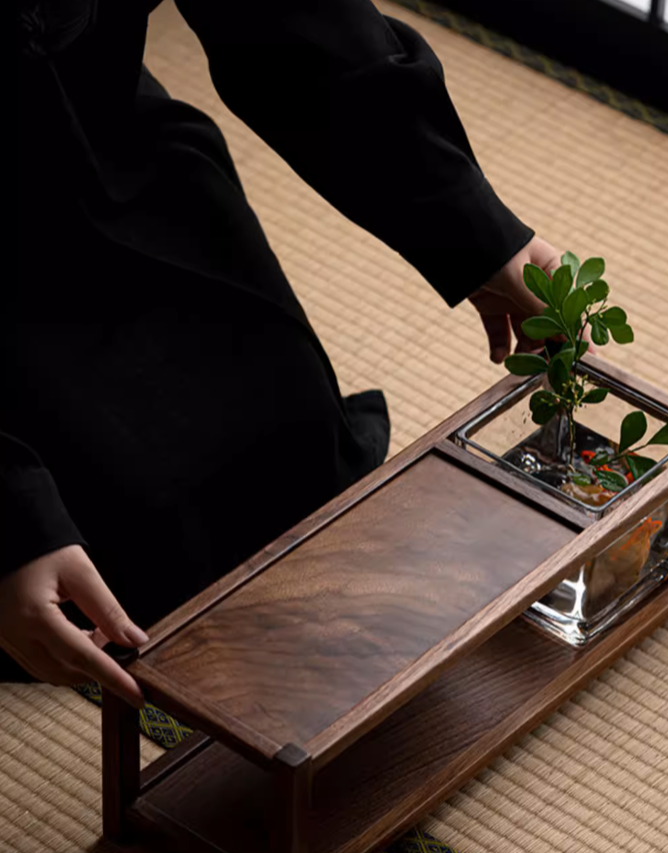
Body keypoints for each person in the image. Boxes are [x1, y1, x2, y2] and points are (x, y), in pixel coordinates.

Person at [4, 0, 562, 708]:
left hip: (109, 146)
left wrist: (479, 233)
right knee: (115, 560)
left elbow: (291, 20)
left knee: (290, 448)